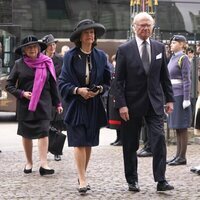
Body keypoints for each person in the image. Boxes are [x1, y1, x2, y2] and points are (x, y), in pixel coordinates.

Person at [113, 12, 174, 192]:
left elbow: (165, 76)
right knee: (131, 144)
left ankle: (161, 180)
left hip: (154, 103)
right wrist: (121, 104)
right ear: (134, 27)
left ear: (153, 27)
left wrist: (169, 99)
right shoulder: (124, 49)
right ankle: (132, 180)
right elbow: (119, 81)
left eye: (148, 25)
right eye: (141, 25)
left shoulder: (159, 47)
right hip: (131, 105)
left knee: (159, 139)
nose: (145, 28)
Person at [58, 19, 111, 194]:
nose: (91, 35)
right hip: (75, 105)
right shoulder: (70, 56)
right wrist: (77, 90)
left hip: (93, 105)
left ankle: (83, 174)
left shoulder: (101, 56)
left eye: (92, 32)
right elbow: (62, 82)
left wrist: (100, 90)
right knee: (79, 141)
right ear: (80, 37)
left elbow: (107, 81)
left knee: (88, 143)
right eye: (87, 32)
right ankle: (82, 179)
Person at [5, 35, 63, 176]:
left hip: (44, 103)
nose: (32, 49)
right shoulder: (19, 64)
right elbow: (9, 85)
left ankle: (44, 164)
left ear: (39, 48)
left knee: (44, 132)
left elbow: (53, 84)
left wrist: (57, 103)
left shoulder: (47, 62)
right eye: (29, 47)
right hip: (26, 105)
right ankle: (29, 162)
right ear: (24, 50)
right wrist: (22, 93)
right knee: (26, 135)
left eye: (34, 47)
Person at [167, 35, 192, 166]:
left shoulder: (184, 58)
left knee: (182, 127)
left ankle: (182, 156)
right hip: (173, 95)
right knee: (177, 127)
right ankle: (177, 155)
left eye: (174, 42)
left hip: (181, 95)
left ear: (182, 44)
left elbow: (187, 80)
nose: (171, 44)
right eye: (171, 42)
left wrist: (186, 98)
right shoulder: (172, 58)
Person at [41, 34, 65, 161]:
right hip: (44, 95)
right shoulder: (40, 58)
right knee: (45, 123)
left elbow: (62, 76)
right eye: (50, 45)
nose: (52, 47)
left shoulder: (60, 59)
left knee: (57, 122)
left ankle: (57, 150)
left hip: (57, 94)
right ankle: (45, 149)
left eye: (54, 44)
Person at [108, 54, 122, 146]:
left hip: (117, 97)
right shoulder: (113, 71)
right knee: (114, 119)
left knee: (119, 120)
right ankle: (117, 138)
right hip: (112, 95)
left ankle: (121, 138)